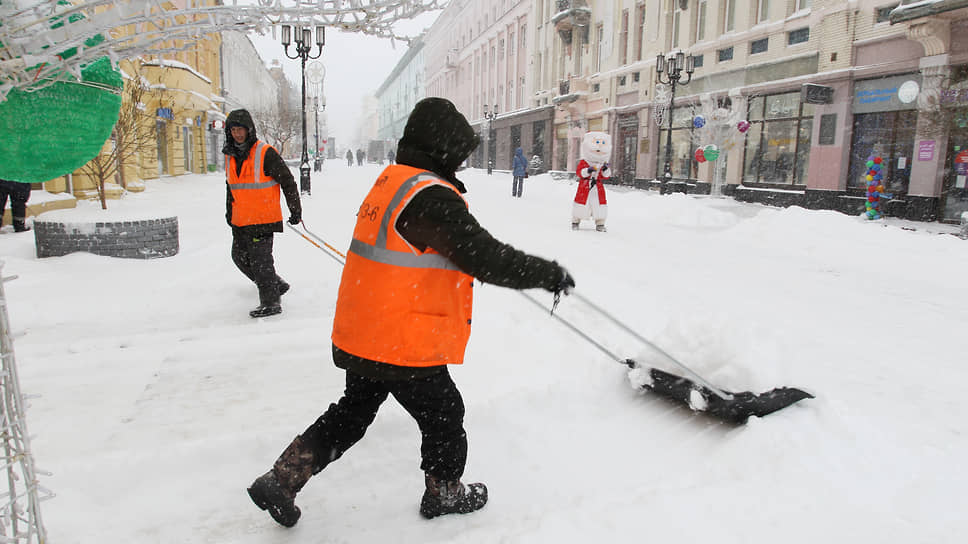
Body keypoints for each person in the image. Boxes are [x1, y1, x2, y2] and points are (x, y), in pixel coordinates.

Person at [247, 97, 576, 528]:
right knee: (444, 415)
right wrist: (547, 272)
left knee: (352, 412)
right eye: (457, 153)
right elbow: (485, 256)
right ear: (441, 148)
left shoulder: (393, 180)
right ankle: (444, 492)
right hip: (400, 336)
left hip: (364, 326)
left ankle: (283, 478)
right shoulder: (430, 197)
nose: (460, 162)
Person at [222, 109, 302, 318]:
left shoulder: (265, 153)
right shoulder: (229, 156)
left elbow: (288, 181)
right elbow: (231, 187)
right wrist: (229, 213)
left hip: (262, 219)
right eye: (233, 130)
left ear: (250, 130)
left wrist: (295, 210)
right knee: (239, 258)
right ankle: (275, 284)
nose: (237, 134)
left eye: (241, 129)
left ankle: (271, 302)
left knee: (261, 261)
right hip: (240, 220)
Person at [572, 131, 612, 232]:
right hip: (585, 185)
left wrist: (605, 170)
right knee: (581, 203)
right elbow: (580, 173)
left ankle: (600, 223)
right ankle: (576, 221)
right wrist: (588, 170)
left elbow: (606, 176)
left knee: (599, 204)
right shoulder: (584, 161)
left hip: (597, 187)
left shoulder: (603, 162)